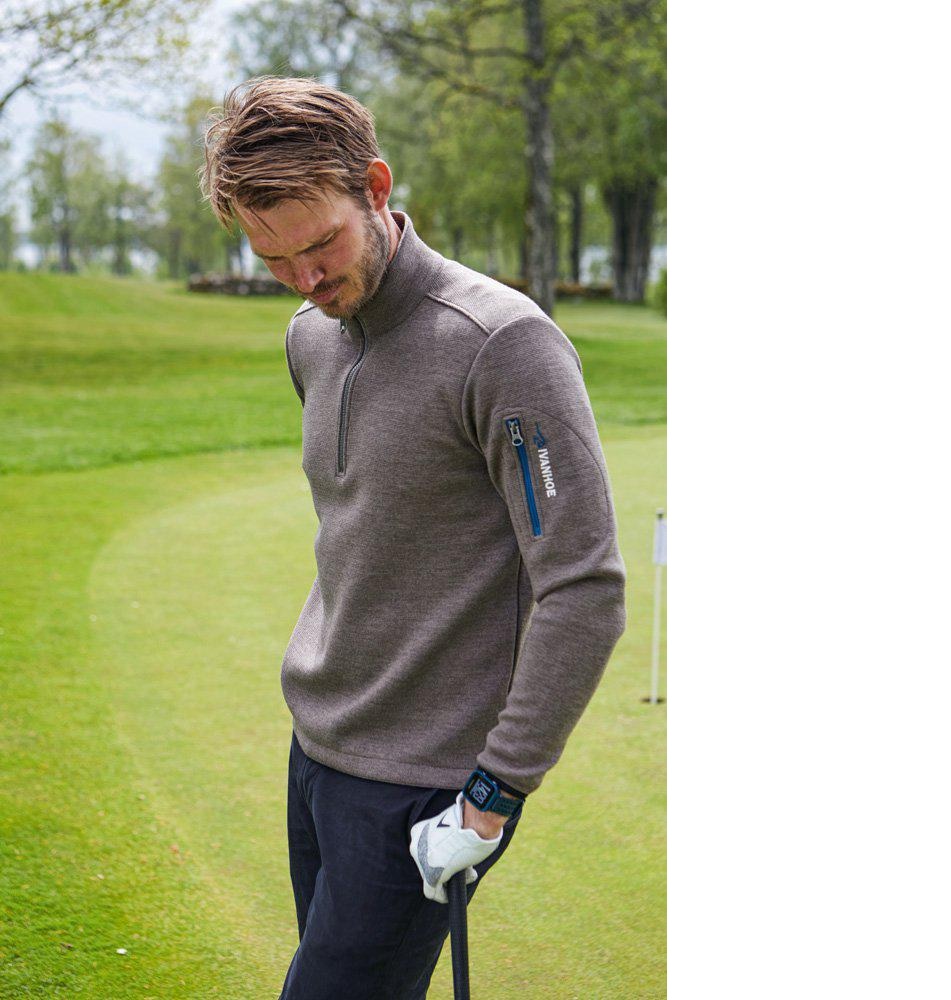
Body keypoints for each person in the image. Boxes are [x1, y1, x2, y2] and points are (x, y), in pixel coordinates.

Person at [201, 77, 626, 999]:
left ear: (377, 187)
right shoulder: (309, 337)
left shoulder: (503, 344)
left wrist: (496, 792)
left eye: (321, 245)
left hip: (428, 786)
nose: (306, 280)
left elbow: (584, 586)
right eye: (275, 259)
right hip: (317, 753)